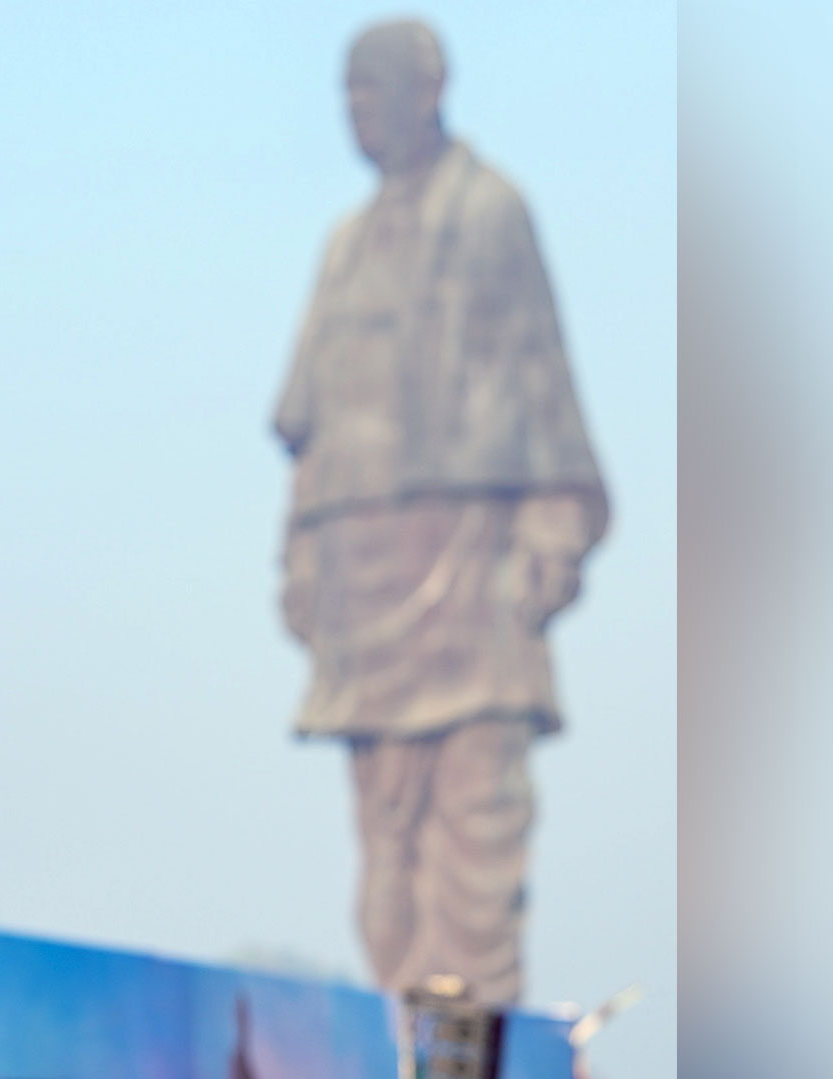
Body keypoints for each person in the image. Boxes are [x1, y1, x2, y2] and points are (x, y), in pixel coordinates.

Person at [273, 20, 608, 1005]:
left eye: (369, 90)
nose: (355, 113)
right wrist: (298, 555)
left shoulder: (489, 212)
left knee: (474, 838)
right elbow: (309, 431)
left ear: (425, 91)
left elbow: (541, 390)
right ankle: (402, 1074)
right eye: (344, 94)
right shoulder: (344, 246)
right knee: (386, 854)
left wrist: (548, 529)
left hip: (470, 567)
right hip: (362, 582)